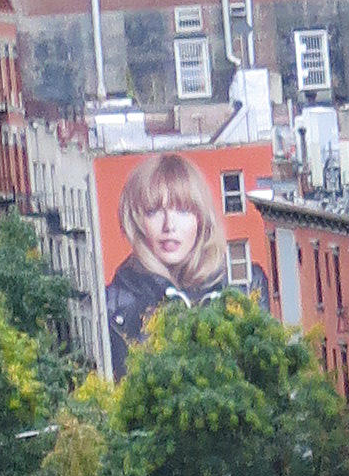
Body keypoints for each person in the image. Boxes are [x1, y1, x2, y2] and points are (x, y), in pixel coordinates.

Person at [103, 149, 262, 368]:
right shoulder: (111, 306)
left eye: (183, 210)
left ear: (201, 218)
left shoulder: (245, 286)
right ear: (135, 221)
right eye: (153, 211)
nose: (169, 225)